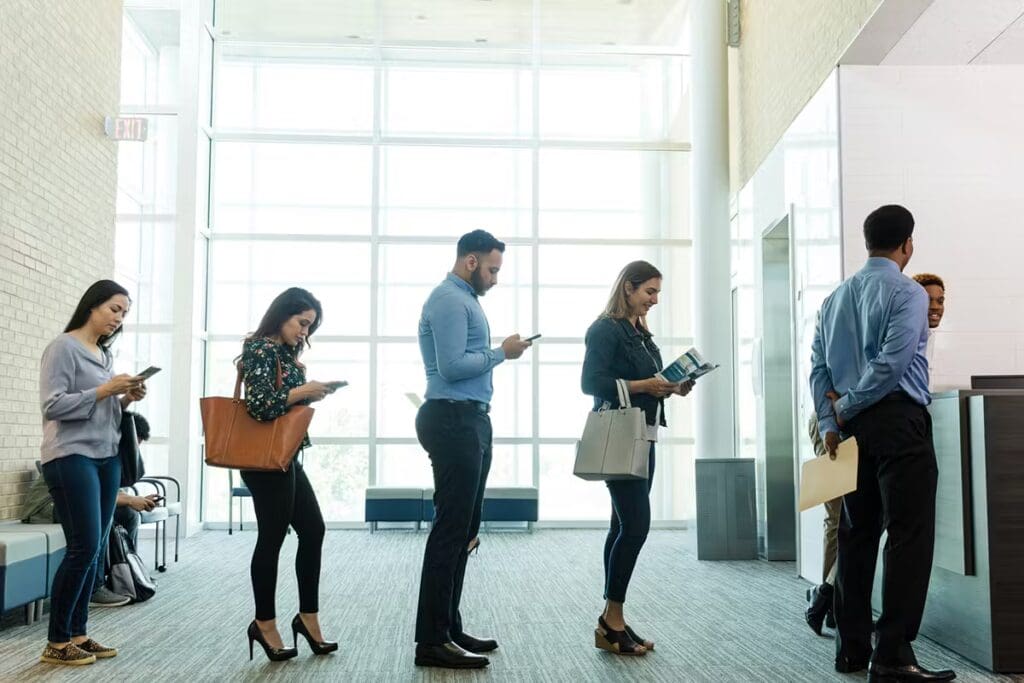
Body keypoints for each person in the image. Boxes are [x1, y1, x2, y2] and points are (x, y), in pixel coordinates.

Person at [810, 205, 954, 681]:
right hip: (895, 422)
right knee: (909, 536)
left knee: (857, 534)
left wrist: (832, 419)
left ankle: (851, 649)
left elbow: (819, 370)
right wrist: (847, 406)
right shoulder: (907, 292)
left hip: (849, 432)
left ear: (867, 240)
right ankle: (892, 654)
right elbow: (892, 365)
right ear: (907, 244)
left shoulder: (834, 299)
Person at [413, 230, 532, 670]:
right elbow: (451, 367)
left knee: (464, 530)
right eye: (492, 269)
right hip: (451, 417)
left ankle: (448, 627)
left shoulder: (466, 300)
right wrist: (502, 352)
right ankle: (430, 641)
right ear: (470, 261)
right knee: (451, 530)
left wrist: (498, 352)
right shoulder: (449, 299)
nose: (495, 278)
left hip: (470, 418)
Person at [581, 260, 693, 657]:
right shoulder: (604, 330)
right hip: (622, 435)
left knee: (621, 526)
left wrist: (673, 387)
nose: (655, 300)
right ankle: (611, 619)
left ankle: (613, 619)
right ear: (628, 288)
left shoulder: (640, 334)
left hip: (646, 435)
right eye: (650, 292)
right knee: (636, 527)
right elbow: (590, 382)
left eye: (658, 293)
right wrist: (646, 384)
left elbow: (650, 383)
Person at [38, 280, 148, 665]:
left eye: (124, 314)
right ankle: (56, 641)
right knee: (83, 546)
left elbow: (103, 411)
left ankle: (79, 634)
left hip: (106, 456)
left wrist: (124, 397)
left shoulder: (103, 355)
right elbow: (53, 406)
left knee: (97, 548)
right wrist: (105, 391)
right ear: (93, 305)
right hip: (71, 456)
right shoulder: (63, 347)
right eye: (115, 309)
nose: (119, 319)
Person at [238, 287, 340, 662]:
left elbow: (281, 399)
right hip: (264, 461)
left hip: (286, 455)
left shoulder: (283, 352)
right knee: (272, 537)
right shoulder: (261, 348)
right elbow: (262, 406)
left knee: (313, 530)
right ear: (282, 315)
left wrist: (310, 393)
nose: (304, 332)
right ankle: (264, 623)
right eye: (302, 323)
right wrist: (303, 391)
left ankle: (307, 618)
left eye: (310, 327)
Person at [89, 412, 159, 608]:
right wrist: (130, 499)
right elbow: (95, 495)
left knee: (129, 515)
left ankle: (128, 571)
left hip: (82, 503)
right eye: (133, 443)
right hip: (49, 508)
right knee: (105, 516)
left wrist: (136, 500)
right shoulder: (96, 449)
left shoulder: (111, 453)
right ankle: (95, 588)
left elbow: (110, 492)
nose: (134, 450)